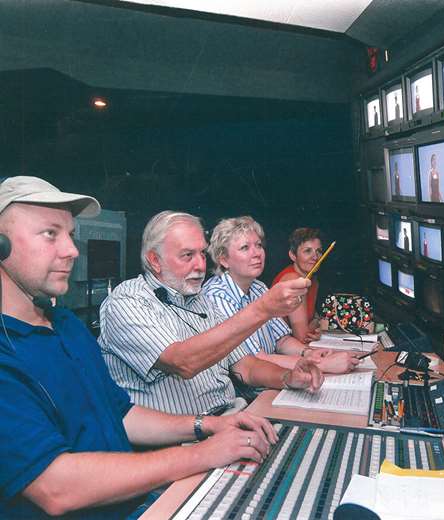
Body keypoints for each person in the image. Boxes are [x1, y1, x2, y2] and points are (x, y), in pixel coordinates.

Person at [0, 177, 278, 518]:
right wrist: (202, 454)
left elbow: (121, 413)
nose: (73, 250)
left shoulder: (66, 325)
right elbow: (55, 488)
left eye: (71, 235)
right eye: (50, 234)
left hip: (136, 500)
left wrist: (205, 426)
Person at [100, 211, 324, 416]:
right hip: (179, 441)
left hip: (232, 417)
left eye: (202, 254)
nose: (200, 265)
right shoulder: (128, 299)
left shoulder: (203, 301)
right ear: (155, 261)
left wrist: (287, 378)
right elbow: (183, 361)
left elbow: (246, 366)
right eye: (188, 255)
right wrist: (263, 308)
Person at [202, 216, 360, 375]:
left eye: (258, 245)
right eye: (245, 247)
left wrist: (308, 353)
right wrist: (320, 364)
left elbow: (282, 340)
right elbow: (256, 360)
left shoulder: (258, 287)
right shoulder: (218, 296)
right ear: (224, 260)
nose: (257, 253)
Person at [273, 228, 324, 343]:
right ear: (293, 255)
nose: (315, 257)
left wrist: (315, 324)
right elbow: (303, 337)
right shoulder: (293, 280)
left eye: (319, 251)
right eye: (307, 251)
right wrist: (315, 324)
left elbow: (314, 318)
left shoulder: (313, 280)